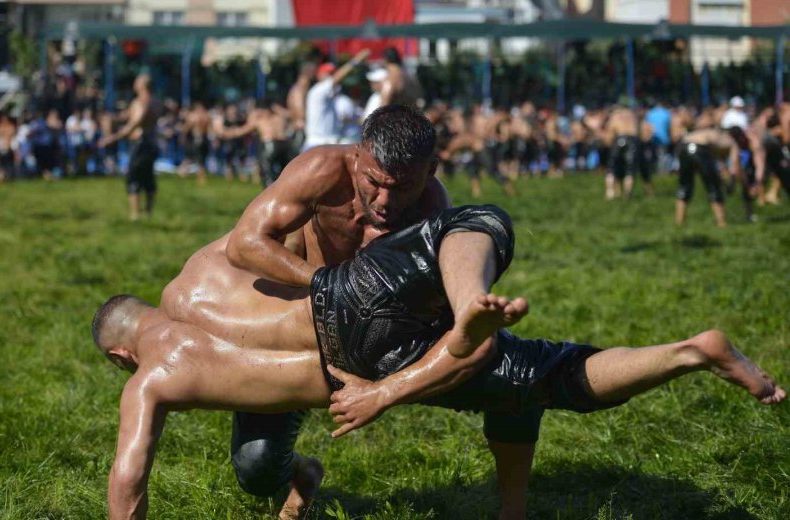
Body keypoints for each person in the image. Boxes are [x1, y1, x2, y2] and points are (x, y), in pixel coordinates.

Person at [95, 205, 784, 520]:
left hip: (359, 350)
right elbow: (264, 243)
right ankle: (684, 350)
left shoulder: (154, 372)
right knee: (521, 371)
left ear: (124, 354)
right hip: (354, 322)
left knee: (516, 367)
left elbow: (127, 484)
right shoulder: (203, 272)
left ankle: (469, 324)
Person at [224, 104, 451, 509]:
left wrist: (390, 387)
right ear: (357, 154)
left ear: (430, 170)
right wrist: (324, 282)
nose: (384, 201)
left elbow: (449, 306)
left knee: (509, 377)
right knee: (256, 468)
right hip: (303, 328)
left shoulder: (434, 209)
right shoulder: (321, 171)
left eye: (401, 187)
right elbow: (244, 244)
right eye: (374, 182)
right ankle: (301, 472)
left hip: (380, 341)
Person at [98, 75, 163, 221]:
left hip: (141, 144)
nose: (134, 83)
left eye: (137, 81)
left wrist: (111, 138)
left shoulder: (143, 103)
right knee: (148, 177)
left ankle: (135, 215)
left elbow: (132, 126)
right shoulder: (152, 102)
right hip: (151, 144)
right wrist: (112, 117)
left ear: (142, 85)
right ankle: (147, 212)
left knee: (133, 177)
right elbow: (127, 116)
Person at [675, 115, 745, 227]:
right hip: (700, 148)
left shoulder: (715, 133)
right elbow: (733, 166)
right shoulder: (732, 143)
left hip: (685, 146)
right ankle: (721, 223)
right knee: (713, 187)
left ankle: (679, 222)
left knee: (685, 186)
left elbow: (717, 163)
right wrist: (731, 183)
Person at [302, 50, 370, 151]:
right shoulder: (318, 91)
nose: (332, 76)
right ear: (320, 76)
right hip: (317, 145)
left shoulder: (333, 97)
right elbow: (336, 78)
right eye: (328, 74)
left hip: (328, 144)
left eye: (332, 73)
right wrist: (355, 61)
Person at [604, 107, 640, 199]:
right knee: (629, 171)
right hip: (632, 141)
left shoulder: (615, 116)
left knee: (611, 169)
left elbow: (610, 135)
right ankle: (627, 195)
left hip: (619, 139)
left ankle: (610, 193)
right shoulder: (632, 116)